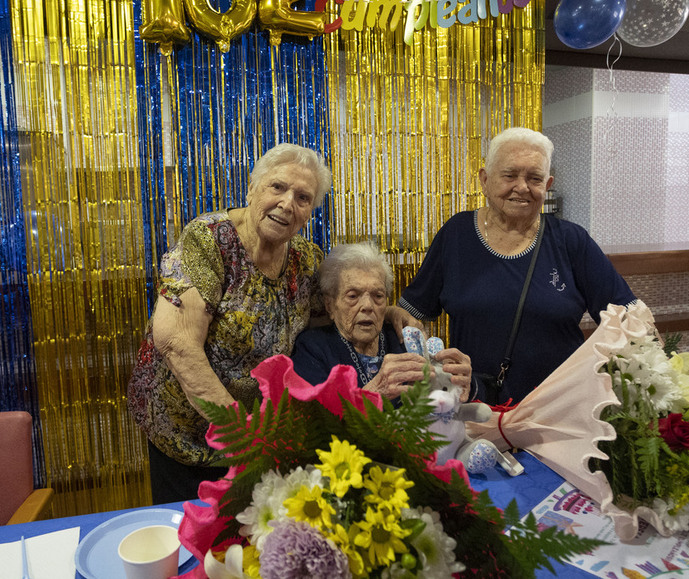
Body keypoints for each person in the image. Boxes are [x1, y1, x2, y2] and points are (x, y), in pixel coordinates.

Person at [128, 143, 331, 505]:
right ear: (252, 188)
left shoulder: (307, 260)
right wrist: (242, 436)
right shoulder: (210, 241)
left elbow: (331, 316)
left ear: (310, 212)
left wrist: (390, 313)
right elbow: (177, 343)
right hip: (187, 435)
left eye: (303, 197)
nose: (287, 203)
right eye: (278, 187)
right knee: (194, 545)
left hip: (259, 439)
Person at [397, 127, 636, 404]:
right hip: (476, 410)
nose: (522, 187)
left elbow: (629, 319)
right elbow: (412, 313)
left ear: (547, 186)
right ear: (484, 180)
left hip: (559, 411)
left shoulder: (571, 241)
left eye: (534, 178)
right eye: (509, 175)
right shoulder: (457, 235)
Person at [291, 242, 473, 402]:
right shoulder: (313, 348)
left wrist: (462, 382)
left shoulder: (403, 339)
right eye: (353, 296)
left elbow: (444, 397)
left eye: (378, 296)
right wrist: (374, 392)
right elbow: (314, 420)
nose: (367, 306)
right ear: (330, 305)